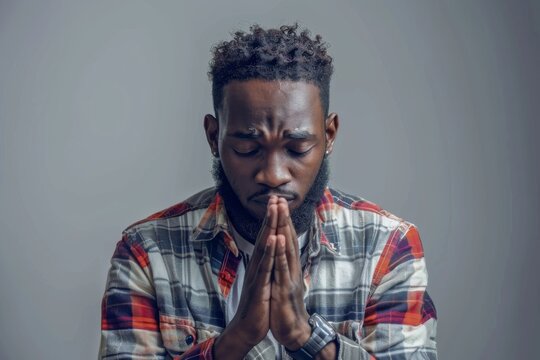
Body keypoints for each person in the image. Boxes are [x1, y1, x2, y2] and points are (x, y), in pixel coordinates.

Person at [99, 24, 437, 359]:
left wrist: (306, 337)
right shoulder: (148, 253)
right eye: (247, 148)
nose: (273, 175)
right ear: (213, 136)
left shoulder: (387, 247)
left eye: (297, 147)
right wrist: (235, 340)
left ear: (329, 134)